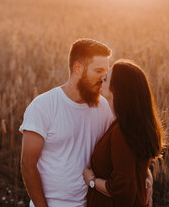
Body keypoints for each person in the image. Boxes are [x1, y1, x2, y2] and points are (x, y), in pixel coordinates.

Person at [19, 38, 114, 207]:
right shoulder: (43, 106)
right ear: (78, 68)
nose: (104, 77)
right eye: (98, 70)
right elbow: (28, 164)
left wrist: (146, 178)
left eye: (106, 71)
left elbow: (125, 148)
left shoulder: (105, 107)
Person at [83, 59, 164, 206]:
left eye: (106, 78)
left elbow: (123, 190)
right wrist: (147, 178)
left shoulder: (122, 132)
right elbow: (134, 167)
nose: (102, 78)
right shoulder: (133, 124)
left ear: (116, 91)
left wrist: (92, 181)